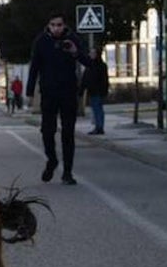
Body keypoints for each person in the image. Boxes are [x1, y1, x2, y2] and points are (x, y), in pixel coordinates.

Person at [26, 12, 90, 184]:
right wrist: (30, 92)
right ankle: (52, 160)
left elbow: (88, 62)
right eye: (53, 25)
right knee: (47, 131)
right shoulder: (41, 41)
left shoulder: (72, 39)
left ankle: (67, 172)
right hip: (48, 93)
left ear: (64, 25)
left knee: (68, 133)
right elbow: (34, 67)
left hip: (68, 93)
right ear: (48, 25)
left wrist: (75, 52)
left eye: (59, 25)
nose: (56, 28)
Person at [79, 46, 110, 135]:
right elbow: (85, 79)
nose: (90, 55)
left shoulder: (101, 66)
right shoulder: (89, 65)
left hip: (98, 91)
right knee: (96, 109)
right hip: (92, 91)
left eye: (93, 53)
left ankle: (99, 127)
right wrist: (81, 90)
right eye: (90, 53)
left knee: (98, 109)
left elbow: (104, 79)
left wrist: (105, 91)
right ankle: (98, 126)